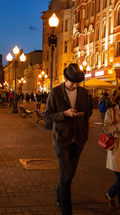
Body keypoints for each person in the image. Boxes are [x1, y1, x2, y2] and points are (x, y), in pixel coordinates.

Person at [45, 63, 91, 215]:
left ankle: (59, 192)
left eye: (78, 83)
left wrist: (85, 129)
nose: (75, 86)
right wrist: (64, 114)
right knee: (65, 175)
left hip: (78, 138)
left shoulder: (84, 93)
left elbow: (88, 113)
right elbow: (48, 115)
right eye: (72, 83)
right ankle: (66, 211)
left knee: (70, 174)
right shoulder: (55, 92)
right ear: (65, 79)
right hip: (61, 139)